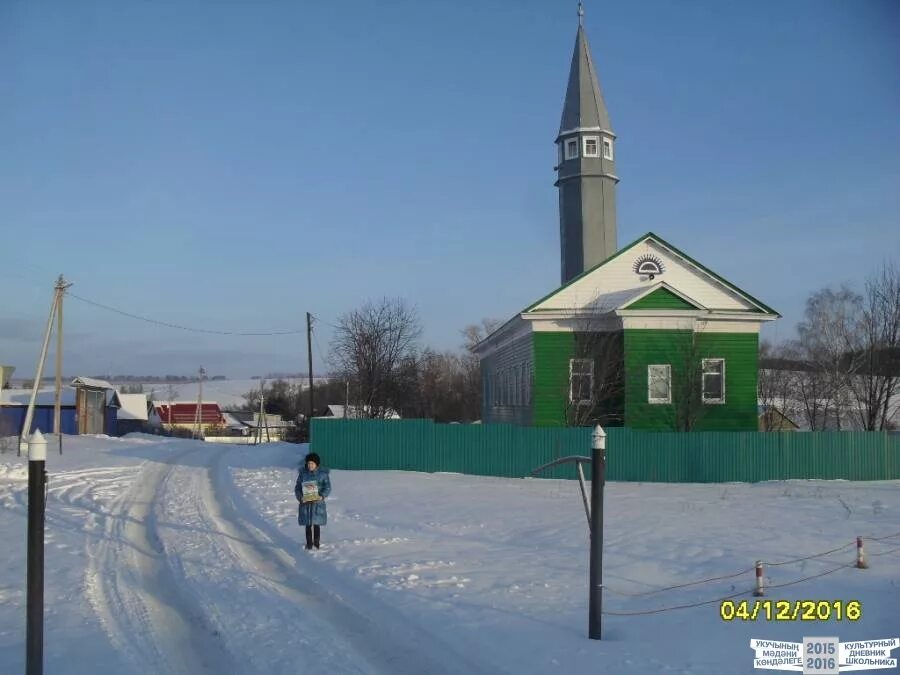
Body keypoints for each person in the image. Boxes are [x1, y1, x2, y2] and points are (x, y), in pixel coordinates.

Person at [294, 452, 331, 550]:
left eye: (312, 463)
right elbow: (297, 487)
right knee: (308, 524)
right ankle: (309, 544)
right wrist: (300, 497)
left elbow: (327, 487)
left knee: (316, 524)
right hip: (306, 504)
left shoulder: (323, 475)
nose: (310, 465)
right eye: (308, 463)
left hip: (317, 504)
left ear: (316, 464)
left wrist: (321, 496)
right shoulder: (303, 474)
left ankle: (316, 543)